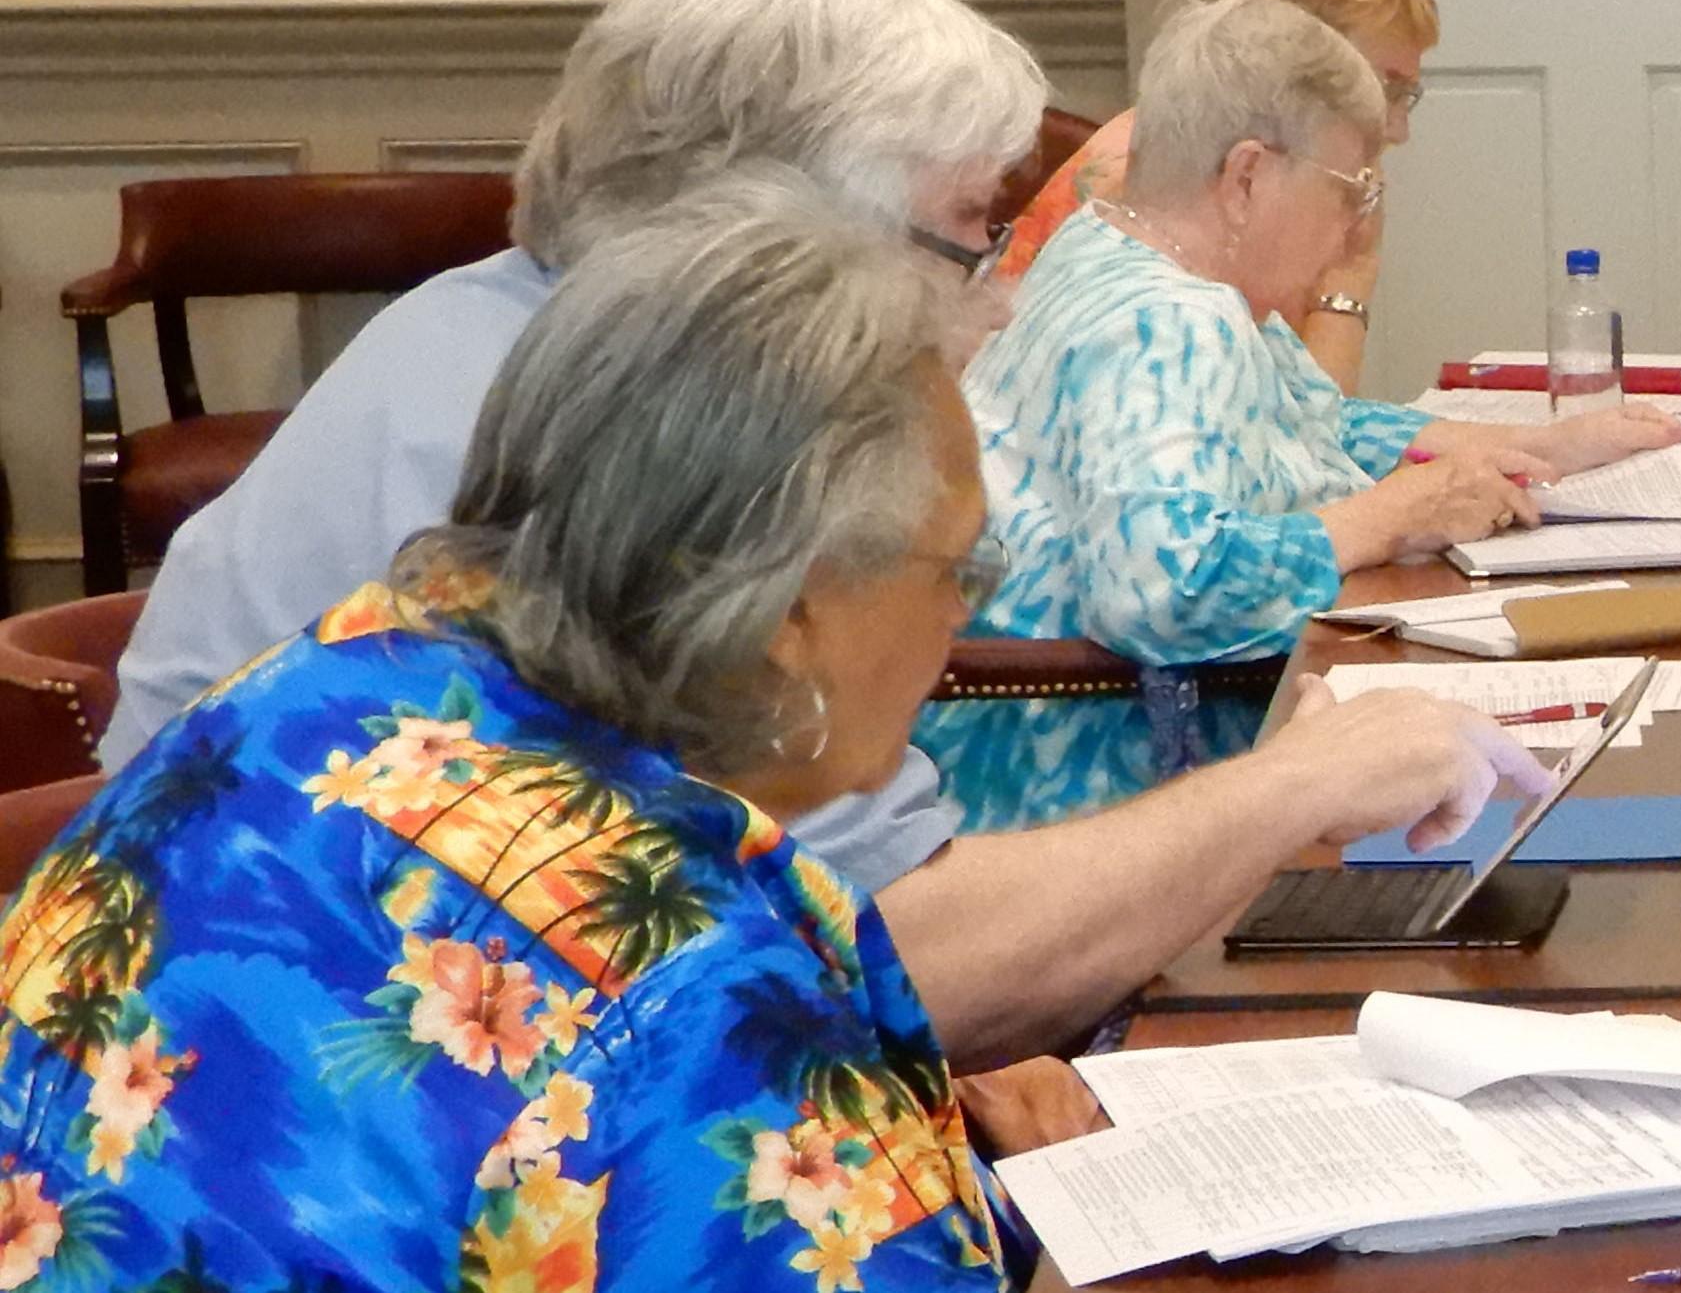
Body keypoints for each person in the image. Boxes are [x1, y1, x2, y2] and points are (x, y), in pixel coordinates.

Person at [0, 177, 1544, 1290]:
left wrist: (903, 1102)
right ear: (790, 612)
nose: (968, 620)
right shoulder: (699, 986)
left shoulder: (315, 688)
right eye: (961, 571)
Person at [83, 0, 1444, 1066]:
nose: (993, 297)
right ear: (768, 228)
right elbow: (891, 958)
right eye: (969, 233)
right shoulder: (635, 442)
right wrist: (1286, 792)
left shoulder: (501, 335)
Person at [930, 0, 1681, 831]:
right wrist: (1388, 514)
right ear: (1247, 176)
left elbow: (1313, 421)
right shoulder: (1165, 321)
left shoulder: (1120, 247)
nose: (1359, 226)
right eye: (1350, 190)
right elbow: (1161, 588)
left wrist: (1536, 445)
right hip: (1101, 778)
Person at [987, 0, 1437, 389]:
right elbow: (1297, 427)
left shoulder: (1229, 152)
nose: (1397, 127)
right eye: (1383, 87)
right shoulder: (1184, 184)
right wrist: (1351, 274)